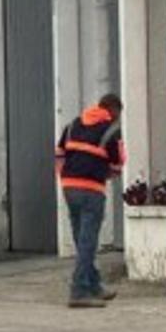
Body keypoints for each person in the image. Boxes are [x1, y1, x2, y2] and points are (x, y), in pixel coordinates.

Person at [56, 94, 126, 308]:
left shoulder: (72, 125)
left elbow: (59, 154)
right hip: (92, 189)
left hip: (69, 187)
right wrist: (103, 173)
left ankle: (94, 285)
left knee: (81, 239)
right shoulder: (111, 130)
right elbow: (117, 164)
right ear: (114, 110)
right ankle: (78, 291)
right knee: (88, 242)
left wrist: (65, 177)